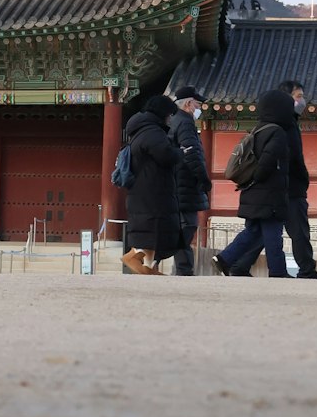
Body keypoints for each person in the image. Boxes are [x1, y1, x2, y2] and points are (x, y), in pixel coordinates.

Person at [228, 80, 317, 279]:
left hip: (277, 187)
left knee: (264, 230)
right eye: (298, 96)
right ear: (285, 100)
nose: (302, 101)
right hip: (288, 187)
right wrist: (304, 178)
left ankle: (240, 265)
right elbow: (290, 159)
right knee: (297, 230)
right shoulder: (285, 127)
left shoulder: (273, 125)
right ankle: (305, 269)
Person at [214, 89, 295, 279]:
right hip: (270, 194)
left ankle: (224, 259)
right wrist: (259, 177)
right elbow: (268, 161)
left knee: (252, 231)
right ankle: (278, 272)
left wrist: (253, 180)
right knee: (274, 235)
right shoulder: (277, 132)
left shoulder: (258, 129)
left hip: (252, 191)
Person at [122, 95, 182, 275]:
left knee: (152, 231)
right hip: (152, 190)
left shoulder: (142, 130)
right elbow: (165, 155)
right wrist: (181, 153)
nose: (171, 119)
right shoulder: (153, 132)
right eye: (170, 114)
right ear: (164, 113)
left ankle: (149, 267)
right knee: (152, 229)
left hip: (145, 190)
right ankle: (133, 256)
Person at [168, 86, 212, 275]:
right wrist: (203, 179)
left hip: (178, 183)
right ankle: (183, 269)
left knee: (184, 227)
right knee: (188, 226)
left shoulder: (174, 121)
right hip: (186, 184)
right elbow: (192, 154)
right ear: (188, 104)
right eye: (197, 104)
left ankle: (184, 269)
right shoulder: (185, 123)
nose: (198, 108)